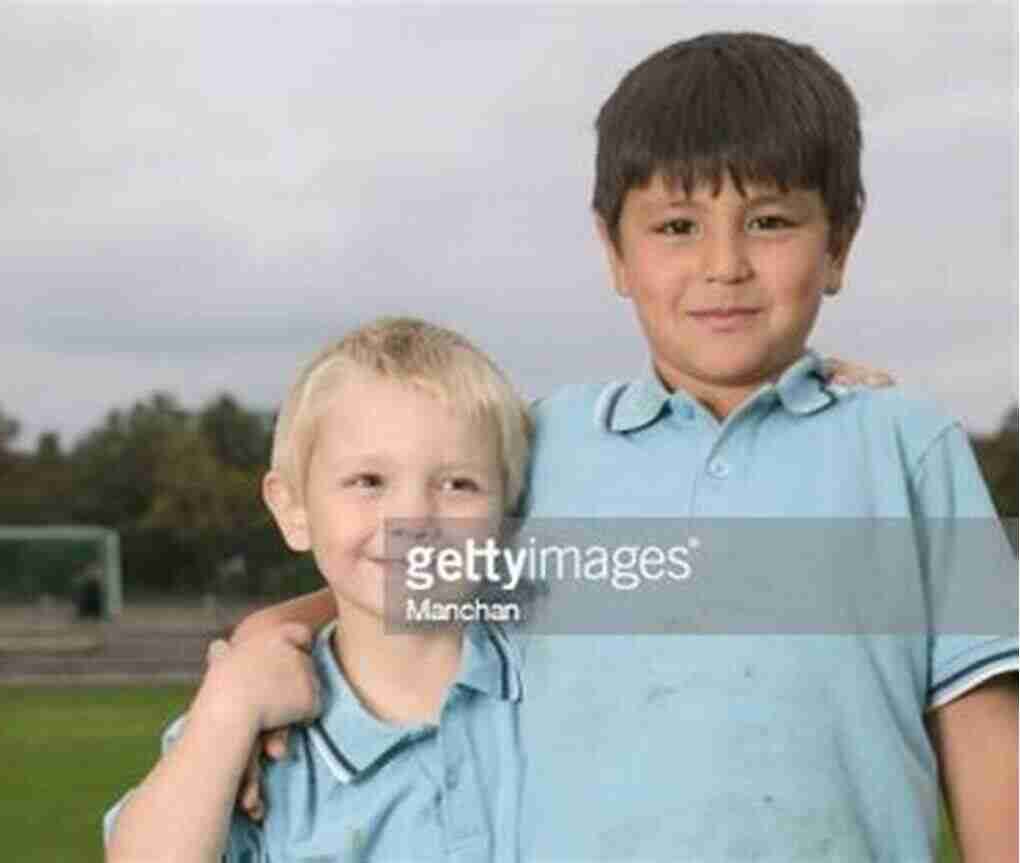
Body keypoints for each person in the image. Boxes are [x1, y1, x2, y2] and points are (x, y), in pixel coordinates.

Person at [221, 31, 1018, 860]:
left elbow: (987, 743)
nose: (724, 265)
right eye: (677, 225)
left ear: (839, 244)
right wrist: (264, 639)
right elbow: (405, 566)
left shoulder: (905, 448)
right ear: (614, 252)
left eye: (771, 221)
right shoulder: (546, 446)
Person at [103, 318, 531, 862]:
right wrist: (228, 712)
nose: (413, 518)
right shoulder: (245, 724)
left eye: (457, 484)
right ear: (293, 508)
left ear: (508, 516)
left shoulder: (556, 683)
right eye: (369, 481)